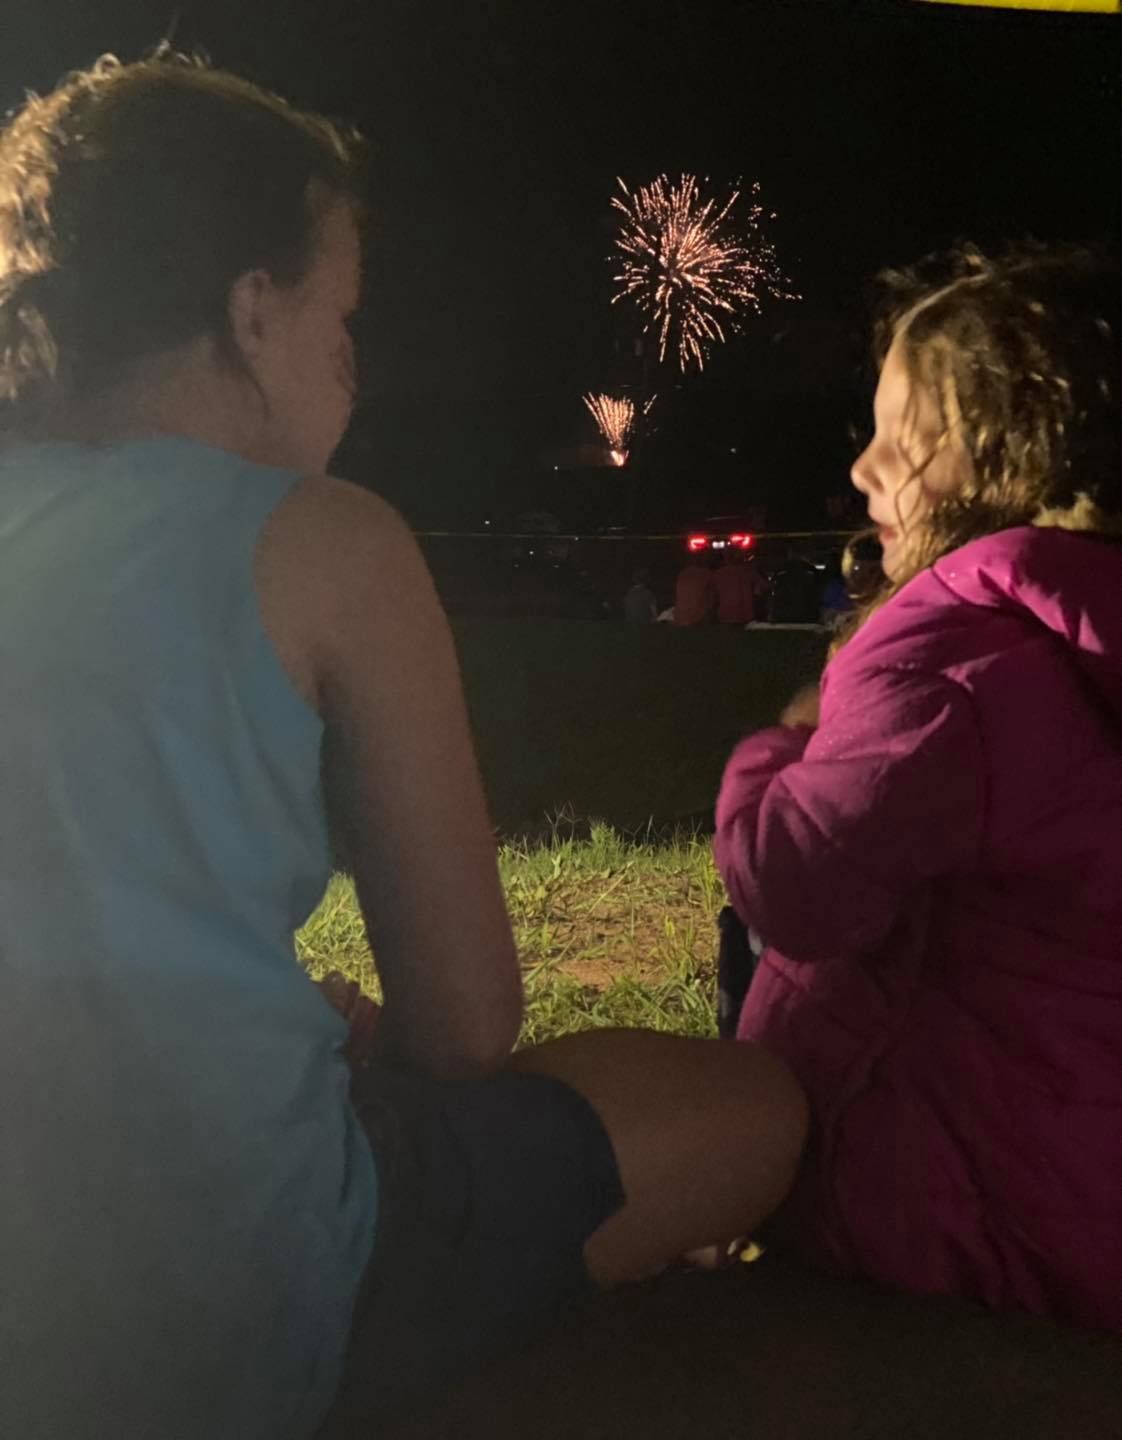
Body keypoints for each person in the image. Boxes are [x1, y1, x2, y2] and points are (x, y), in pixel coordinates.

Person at [0, 54, 807, 1440]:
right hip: (227, 1307)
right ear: (252, 312)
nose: (350, 367)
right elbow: (461, 1026)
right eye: (339, 315)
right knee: (752, 1105)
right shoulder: (328, 541)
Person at [714, 243, 1122, 1332]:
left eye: (898, 438)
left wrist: (778, 745)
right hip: (1081, 1204)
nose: (861, 471)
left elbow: (794, 887)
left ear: (1006, 454)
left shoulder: (954, 659)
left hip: (926, 1218)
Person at [713, 549, 757, 626]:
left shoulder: (717, 574)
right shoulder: (748, 572)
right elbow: (764, 587)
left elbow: (712, 595)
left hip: (725, 616)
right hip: (745, 617)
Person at [673, 554, 716, 625]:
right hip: (697, 619)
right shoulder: (707, 574)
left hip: (680, 618)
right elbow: (712, 600)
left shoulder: (682, 573)